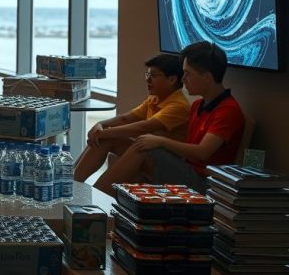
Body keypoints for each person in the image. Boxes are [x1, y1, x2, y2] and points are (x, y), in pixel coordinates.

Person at [94, 41, 245, 195]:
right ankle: (77, 191)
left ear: (206, 77)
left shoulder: (227, 110)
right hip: (186, 168)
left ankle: (96, 199)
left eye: (187, 73)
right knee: (125, 141)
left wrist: (161, 141)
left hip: (204, 183)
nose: (183, 79)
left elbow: (202, 153)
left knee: (142, 147)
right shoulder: (198, 105)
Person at [73, 53, 189, 182]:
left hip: (166, 163)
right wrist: (100, 125)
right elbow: (126, 118)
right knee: (105, 138)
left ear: (172, 80)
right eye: (147, 75)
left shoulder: (178, 106)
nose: (148, 80)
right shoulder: (155, 98)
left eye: (154, 75)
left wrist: (102, 133)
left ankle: (76, 187)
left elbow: (143, 127)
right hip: (151, 154)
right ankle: (72, 182)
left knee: (109, 137)